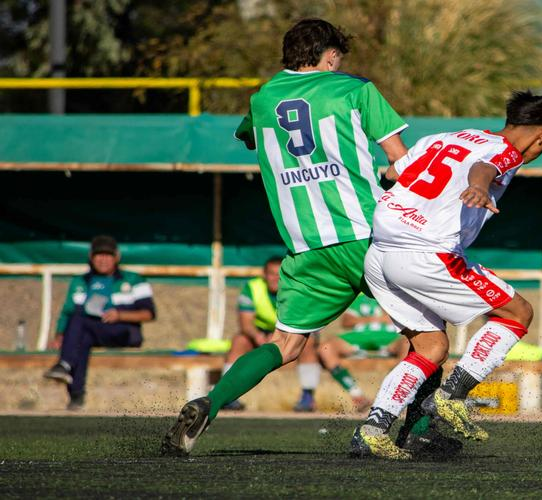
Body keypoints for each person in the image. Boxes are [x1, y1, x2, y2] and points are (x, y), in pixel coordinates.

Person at [162, 18, 444, 456]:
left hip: (304, 247)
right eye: (338, 57)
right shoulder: (354, 88)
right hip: (367, 237)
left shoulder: (262, 98)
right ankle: (417, 432)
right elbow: (401, 162)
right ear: (330, 54)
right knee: (429, 336)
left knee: (286, 344)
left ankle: (209, 403)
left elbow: (249, 136)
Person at [350, 90, 542, 460]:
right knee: (518, 313)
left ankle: (373, 428)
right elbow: (484, 168)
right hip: (427, 254)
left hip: (380, 254)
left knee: (431, 348)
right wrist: (479, 186)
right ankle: (452, 395)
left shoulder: (444, 138)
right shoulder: (505, 151)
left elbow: (392, 173)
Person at [43, 235, 156, 410]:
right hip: (92, 331)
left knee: (80, 321)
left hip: (123, 331)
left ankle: (65, 366)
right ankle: (76, 396)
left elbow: (148, 314)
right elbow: (67, 312)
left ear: (117, 257)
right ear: (91, 257)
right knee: (83, 337)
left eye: (108, 254)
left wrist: (119, 315)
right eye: (99, 254)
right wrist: (60, 336)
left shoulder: (134, 280)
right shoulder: (80, 281)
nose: (103, 259)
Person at [219, 256, 322, 412]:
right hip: (259, 332)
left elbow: (308, 322)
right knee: (239, 341)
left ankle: (308, 397)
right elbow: (246, 323)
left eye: (279, 273)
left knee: (308, 343)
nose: (275, 278)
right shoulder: (252, 287)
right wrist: (257, 336)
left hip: (291, 333)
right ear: (264, 275)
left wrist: (279, 337)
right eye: (271, 274)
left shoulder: (298, 288)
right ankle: (227, 395)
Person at [316, 293, 409, 412]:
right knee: (326, 348)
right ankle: (356, 395)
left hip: (390, 337)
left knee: (408, 345)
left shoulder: (397, 296)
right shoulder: (363, 297)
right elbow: (346, 321)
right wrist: (376, 319)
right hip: (359, 336)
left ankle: (390, 393)